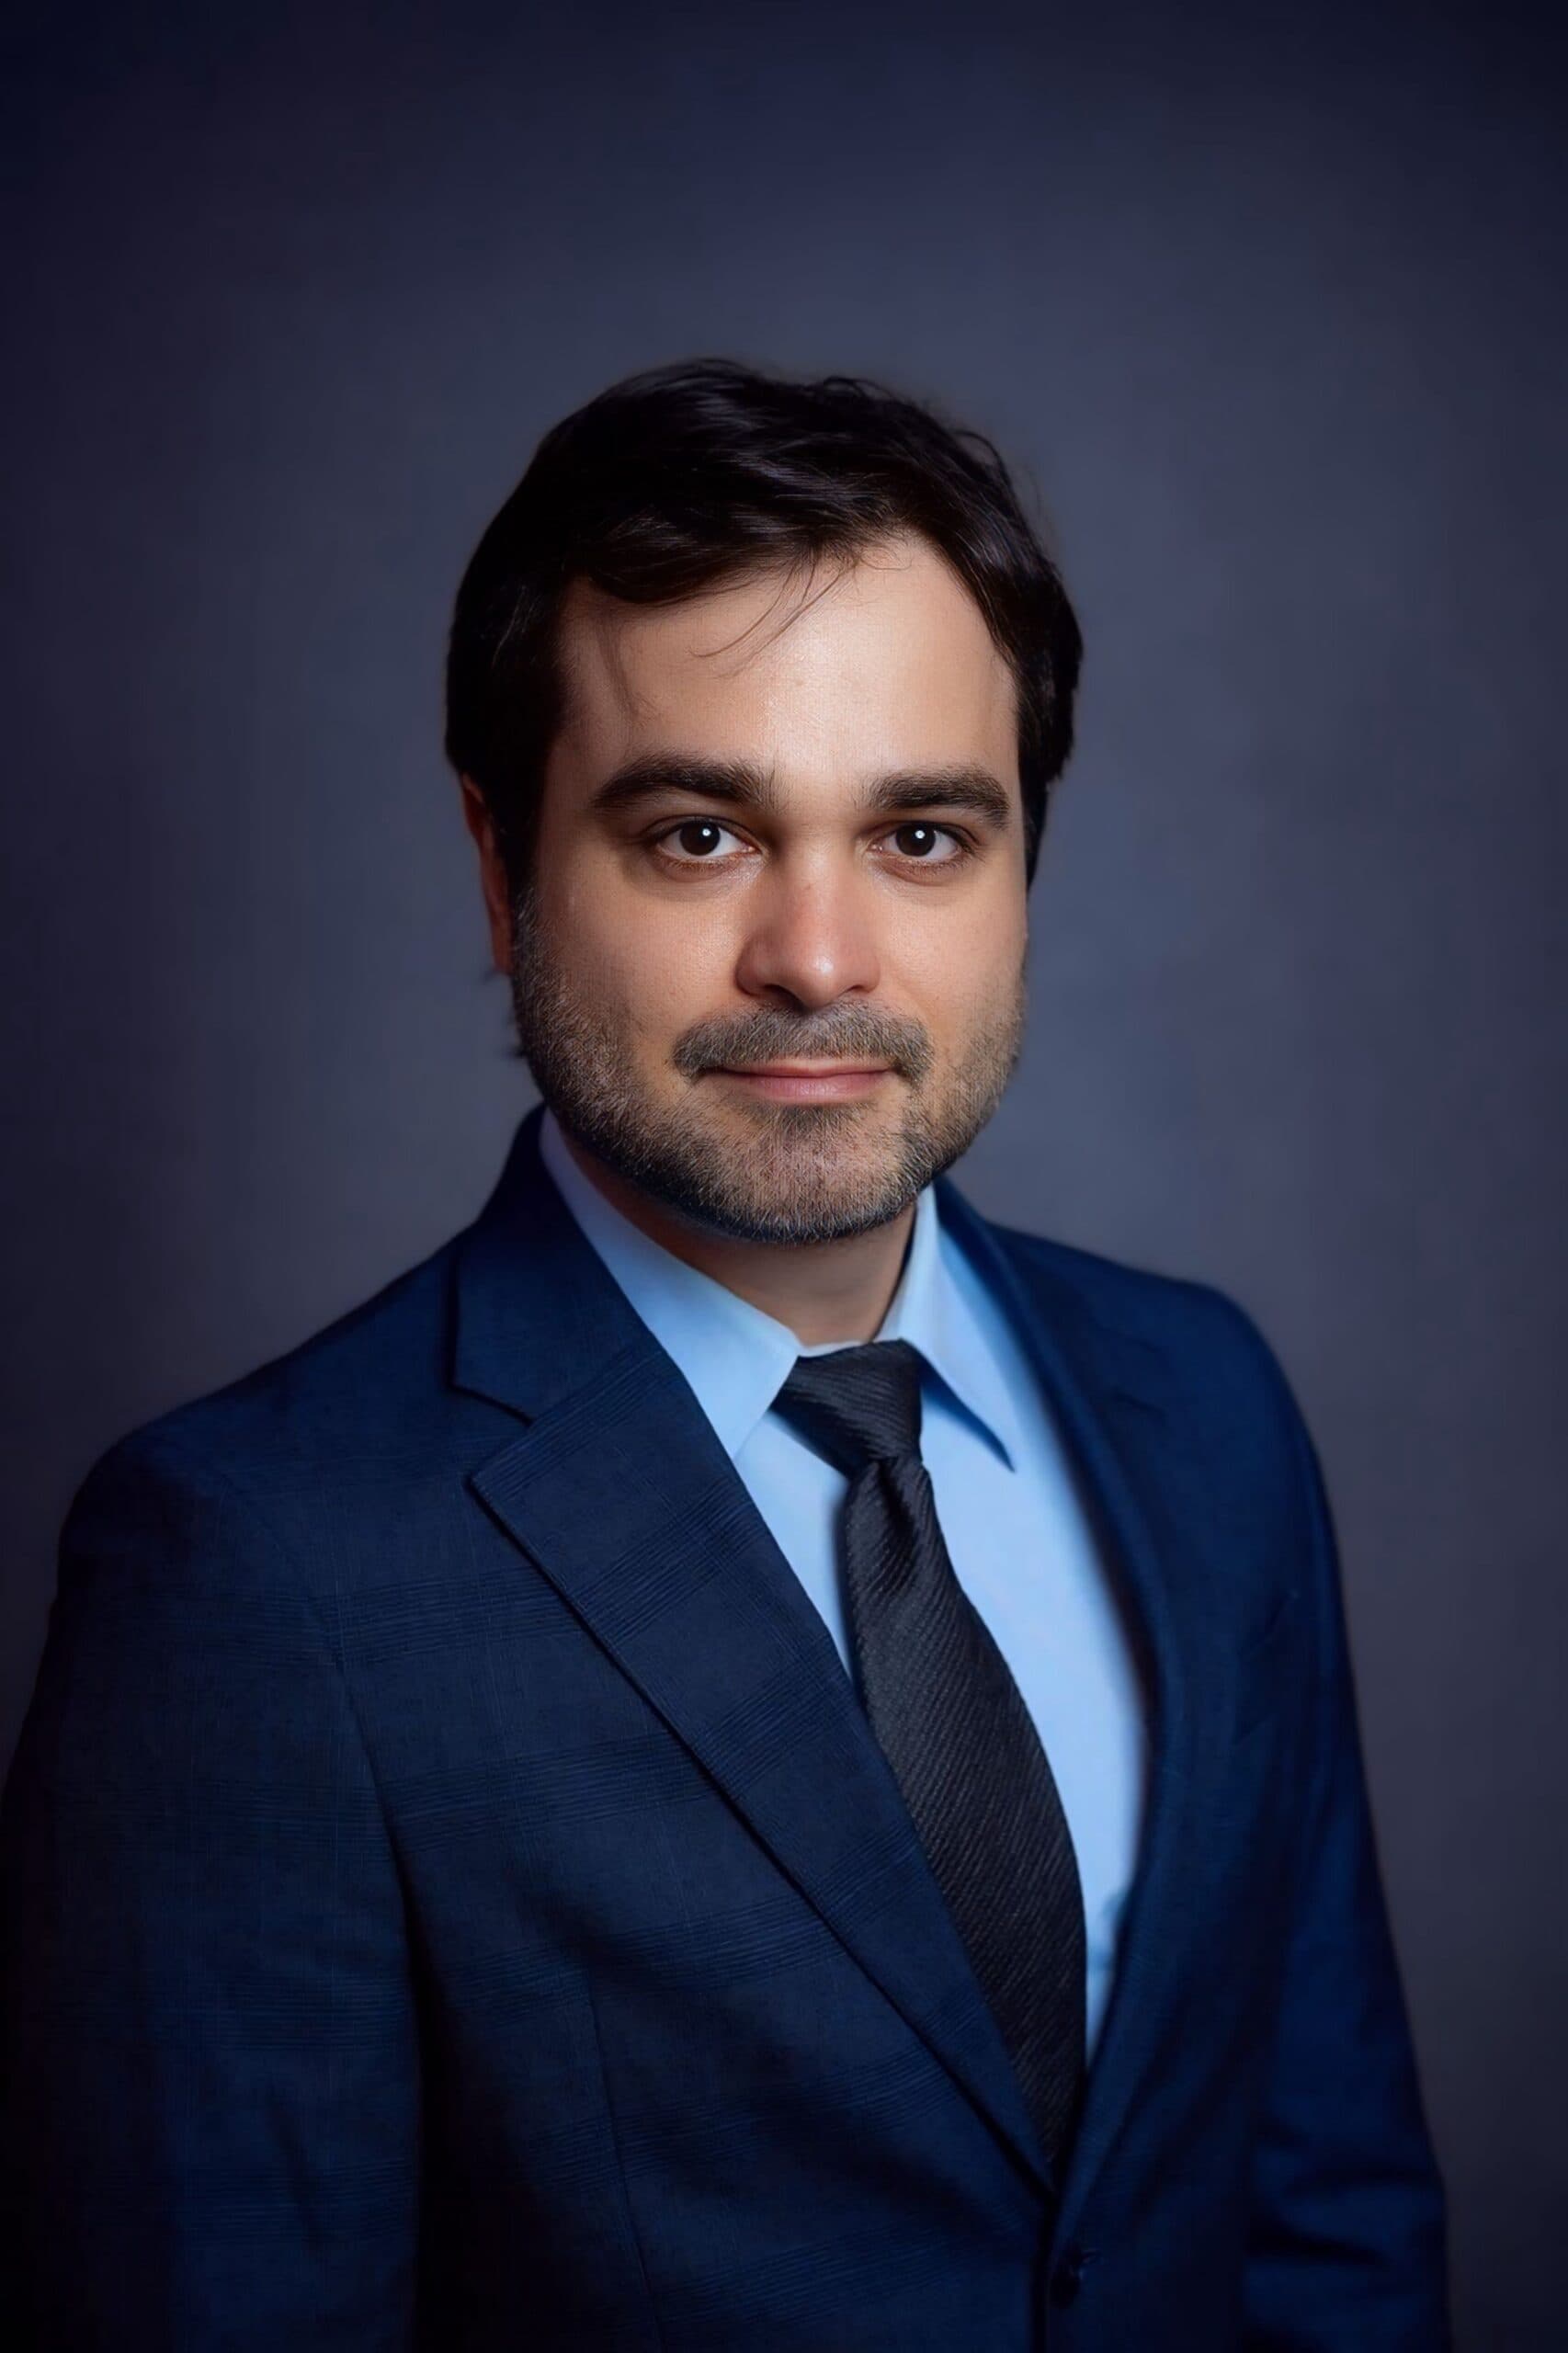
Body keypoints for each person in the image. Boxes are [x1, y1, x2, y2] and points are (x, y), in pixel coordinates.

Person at [0, 358, 1449, 2348]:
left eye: (923, 836)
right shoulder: (253, 1570)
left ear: (1026, 865)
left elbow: (1327, 2212)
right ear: (501, 866)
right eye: (696, 834)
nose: (822, 958)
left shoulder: (1203, 1412)